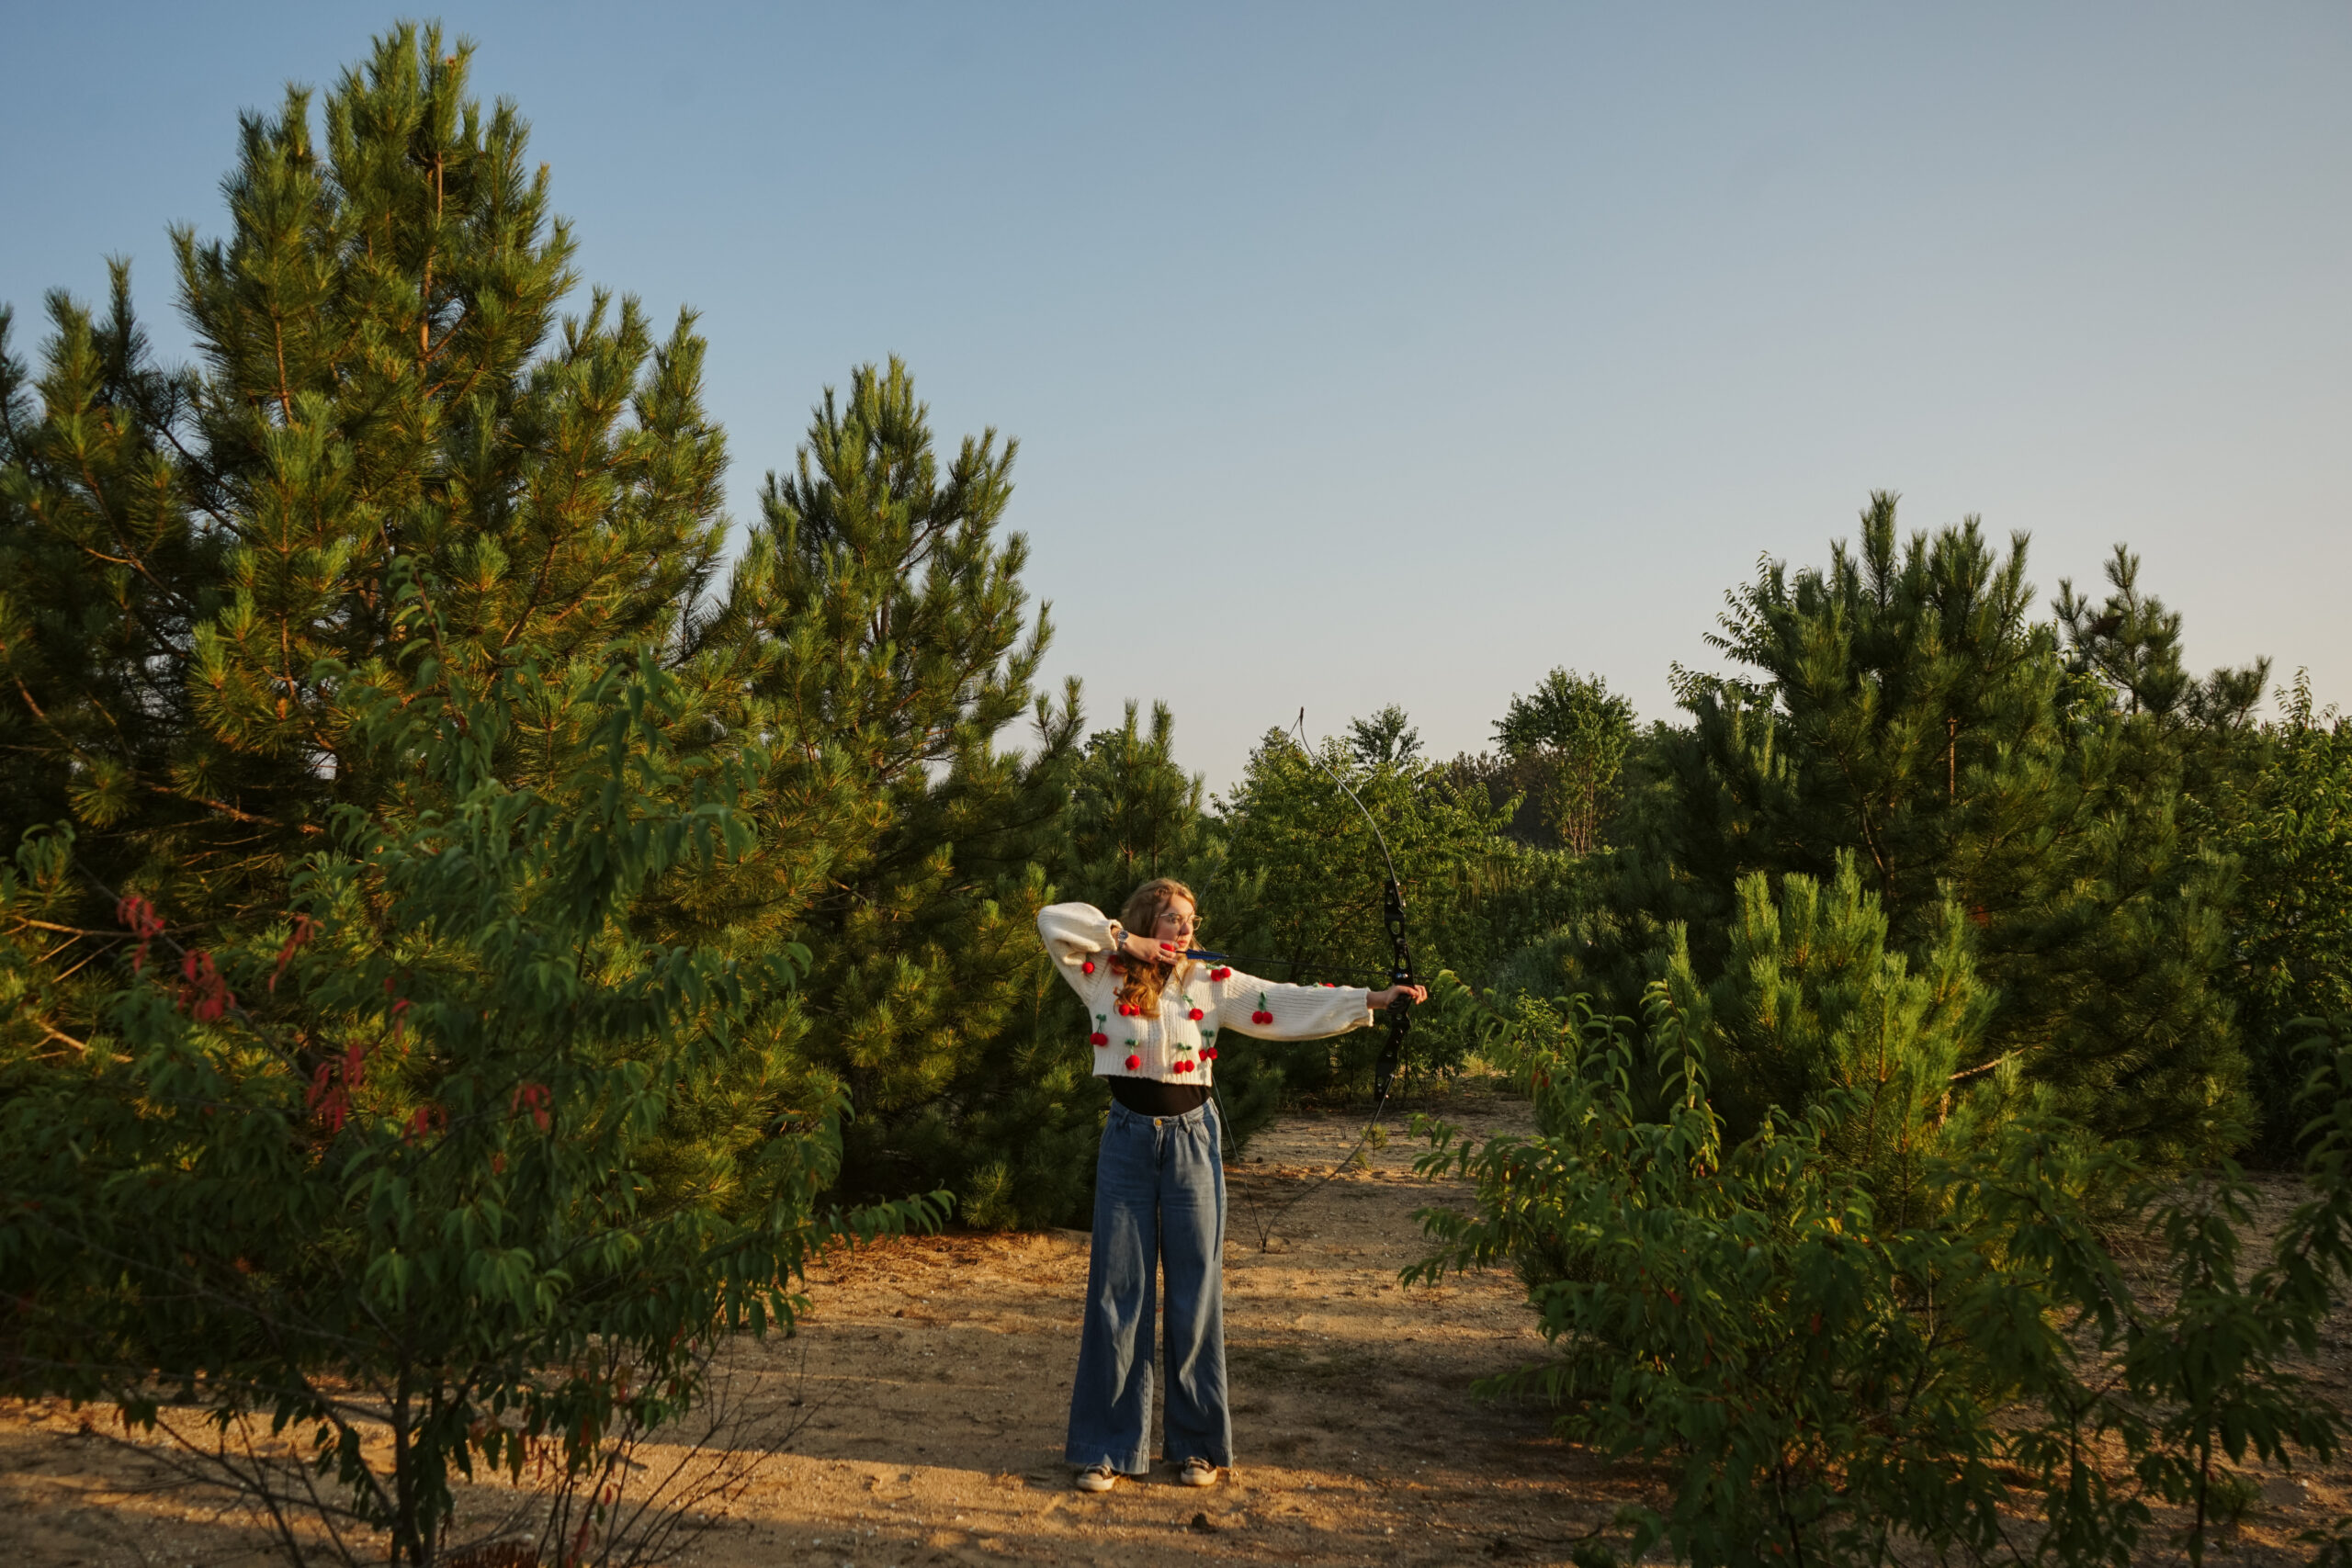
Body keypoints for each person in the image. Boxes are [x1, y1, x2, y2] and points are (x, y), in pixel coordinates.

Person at [1036, 877, 1428, 1493]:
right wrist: (1125, 940)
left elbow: (1282, 1000)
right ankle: (1106, 1447)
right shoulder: (1101, 971)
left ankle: (1195, 1446)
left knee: (1196, 1288)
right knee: (1119, 1291)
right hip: (1128, 1138)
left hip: (1193, 1137)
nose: (1185, 930)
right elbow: (1052, 918)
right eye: (1171, 918)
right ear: (1147, 920)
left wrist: (1376, 999)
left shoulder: (1209, 980)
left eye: (1189, 920)